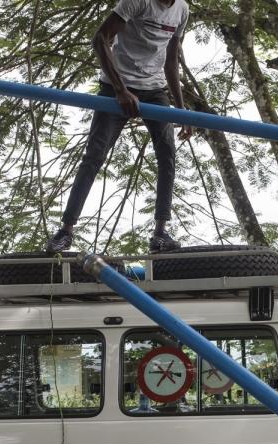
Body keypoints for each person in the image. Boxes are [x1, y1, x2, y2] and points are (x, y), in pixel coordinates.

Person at [44, 0, 192, 255]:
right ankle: (66, 231)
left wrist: (181, 109)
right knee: (95, 155)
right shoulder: (137, 2)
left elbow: (171, 58)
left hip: (154, 90)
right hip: (116, 86)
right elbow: (100, 39)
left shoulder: (182, 9)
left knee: (167, 154)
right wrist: (121, 89)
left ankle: (160, 233)